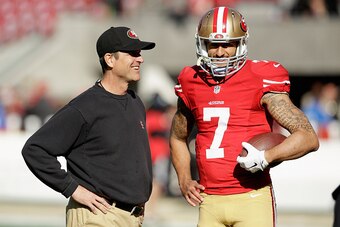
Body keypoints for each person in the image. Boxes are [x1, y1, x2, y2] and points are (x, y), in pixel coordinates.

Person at [169, 6, 319, 227]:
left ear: (240, 44)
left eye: (227, 44)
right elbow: (177, 136)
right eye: (213, 45)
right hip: (209, 201)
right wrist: (183, 179)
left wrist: (267, 156)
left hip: (252, 198)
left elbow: (308, 137)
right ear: (203, 44)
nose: (220, 52)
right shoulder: (191, 80)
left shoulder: (261, 78)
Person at [22, 26, 155, 227]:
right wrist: (73, 189)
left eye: (139, 53)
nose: (140, 59)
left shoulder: (135, 102)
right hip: (97, 216)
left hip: (131, 218)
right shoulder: (84, 107)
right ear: (110, 59)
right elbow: (35, 149)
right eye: (132, 53)